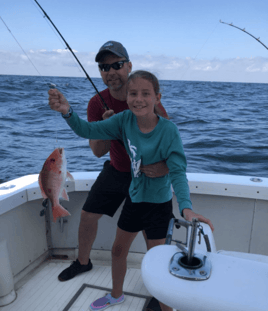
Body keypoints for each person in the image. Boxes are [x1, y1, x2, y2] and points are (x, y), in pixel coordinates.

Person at [48, 70, 214, 311]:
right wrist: (67, 111)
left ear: (157, 97)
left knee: (158, 262)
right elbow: (87, 130)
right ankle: (116, 295)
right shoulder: (123, 120)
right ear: (126, 97)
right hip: (135, 201)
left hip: (158, 206)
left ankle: (165, 305)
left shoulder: (169, 131)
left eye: (146, 94)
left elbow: (178, 172)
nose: (139, 99)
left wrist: (186, 208)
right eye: (133, 93)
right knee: (117, 251)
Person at [57, 41, 171, 284]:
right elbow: (98, 152)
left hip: (147, 176)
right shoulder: (96, 104)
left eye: (117, 65)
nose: (110, 72)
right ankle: (83, 262)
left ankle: (160, 284)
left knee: (150, 232)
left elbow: (168, 142)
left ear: (129, 66)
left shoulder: (144, 97)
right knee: (87, 216)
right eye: (104, 67)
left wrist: (164, 168)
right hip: (117, 169)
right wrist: (107, 128)